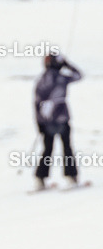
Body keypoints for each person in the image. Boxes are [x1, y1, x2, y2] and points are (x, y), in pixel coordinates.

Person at [33, 53, 82, 190]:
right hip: (62, 118)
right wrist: (67, 65)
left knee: (47, 149)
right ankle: (71, 177)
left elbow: (36, 103)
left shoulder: (41, 80)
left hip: (46, 120)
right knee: (67, 148)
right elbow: (79, 75)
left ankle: (40, 178)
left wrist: (39, 123)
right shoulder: (62, 77)